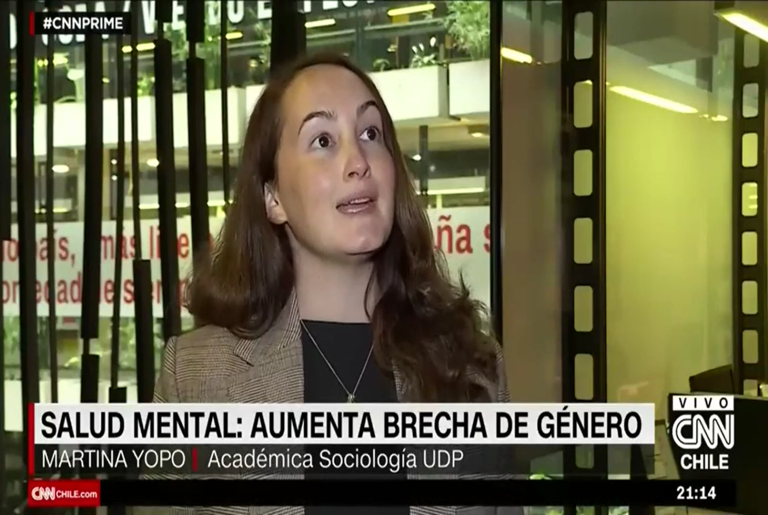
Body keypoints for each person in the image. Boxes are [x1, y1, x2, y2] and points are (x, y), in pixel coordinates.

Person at [153, 51, 514, 514]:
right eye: (322, 140)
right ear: (273, 198)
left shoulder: (474, 367)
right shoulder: (195, 376)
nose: (357, 161)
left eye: (370, 134)